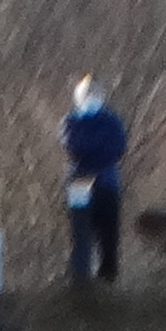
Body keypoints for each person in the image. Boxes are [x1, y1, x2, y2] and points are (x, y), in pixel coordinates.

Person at [66, 76, 130, 287]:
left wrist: (92, 153)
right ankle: (81, 284)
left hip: (107, 183)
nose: (90, 97)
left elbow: (119, 148)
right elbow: (73, 147)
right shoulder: (72, 121)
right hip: (79, 185)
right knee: (81, 236)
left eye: (93, 93)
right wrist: (98, 150)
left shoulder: (112, 120)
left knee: (108, 236)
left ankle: (108, 283)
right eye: (86, 94)